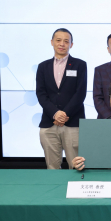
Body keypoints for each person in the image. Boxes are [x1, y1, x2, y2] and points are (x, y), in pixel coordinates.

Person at [36, 28, 87, 169]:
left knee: (76, 166)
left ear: (71, 44)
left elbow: (80, 94)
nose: (62, 44)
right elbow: (41, 94)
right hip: (49, 122)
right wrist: (55, 113)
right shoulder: (43, 66)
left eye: (66, 41)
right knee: (52, 167)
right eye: (58, 40)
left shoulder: (80, 65)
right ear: (52, 42)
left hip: (73, 122)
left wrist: (65, 114)